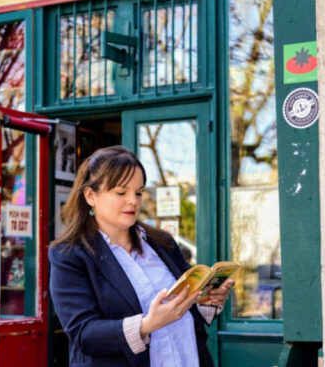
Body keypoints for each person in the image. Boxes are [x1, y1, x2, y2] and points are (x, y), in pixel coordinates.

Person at [49, 146, 234, 367]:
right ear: (90, 196)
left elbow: (187, 306)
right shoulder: (69, 255)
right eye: (121, 192)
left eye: (138, 192)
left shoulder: (161, 242)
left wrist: (209, 299)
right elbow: (83, 333)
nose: (133, 201)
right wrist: (147, 325)